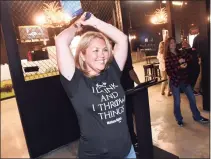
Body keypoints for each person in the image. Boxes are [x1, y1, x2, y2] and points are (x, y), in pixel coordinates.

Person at [55, 12, 136, 159]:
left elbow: (122, 39)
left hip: (127, 151)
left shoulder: (112, 72)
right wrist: (78, 24)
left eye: (105, 49)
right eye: (95, 50)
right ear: (83, 55)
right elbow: (61, 40)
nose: (102, 55)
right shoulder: (75, 81)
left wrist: (94, 21)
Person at [165, 37, 209, 127]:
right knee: (177, 102)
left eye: (174, 42)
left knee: (192, 98)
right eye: (171, 43)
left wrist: (184, 60)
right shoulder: (168, 57)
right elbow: (169, 72)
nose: (173, 44)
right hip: (175, 82)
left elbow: (190, 57)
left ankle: (197, 116)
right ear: (168, 45)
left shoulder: (180, 52)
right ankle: (179, 119)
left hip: (184, 80)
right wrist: (179, 65)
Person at [121, 41, 140, 154]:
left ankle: (132, 139)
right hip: (127, 91)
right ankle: (133, 140)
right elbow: (131, 72)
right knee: (129, 116)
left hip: (120, 91)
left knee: (126, 116)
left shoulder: (110, 58)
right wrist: (140, 83)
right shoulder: (124, 57)